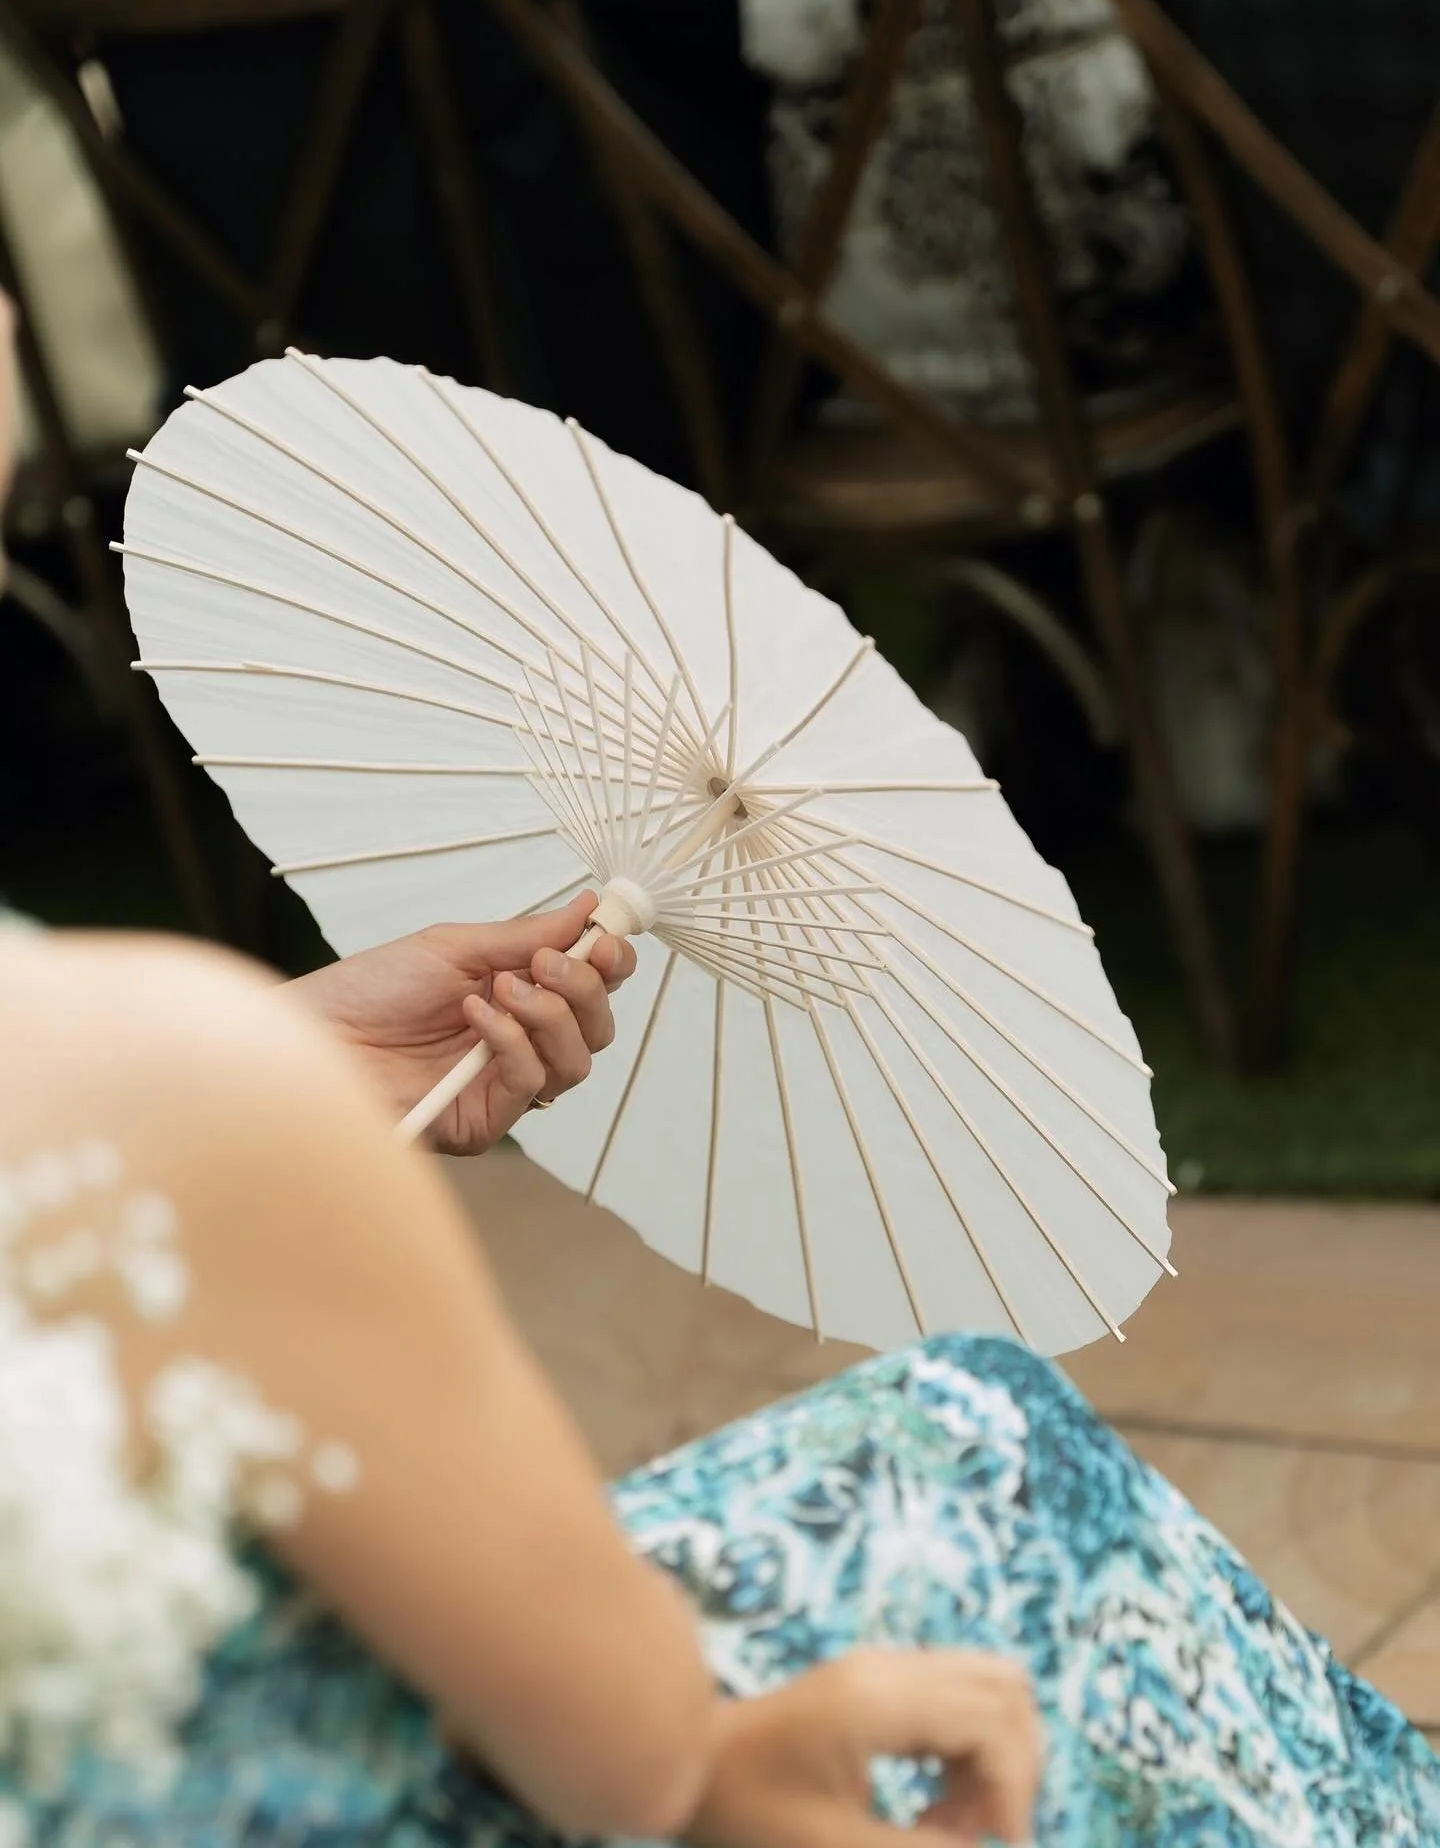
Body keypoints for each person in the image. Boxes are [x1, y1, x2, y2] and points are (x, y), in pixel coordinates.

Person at [1, 310, 1436, 1848]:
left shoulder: (157, 1088)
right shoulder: (162, 1090)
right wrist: (244, 1119)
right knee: (983, 1439)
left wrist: (289, 1073)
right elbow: (659, 1770)